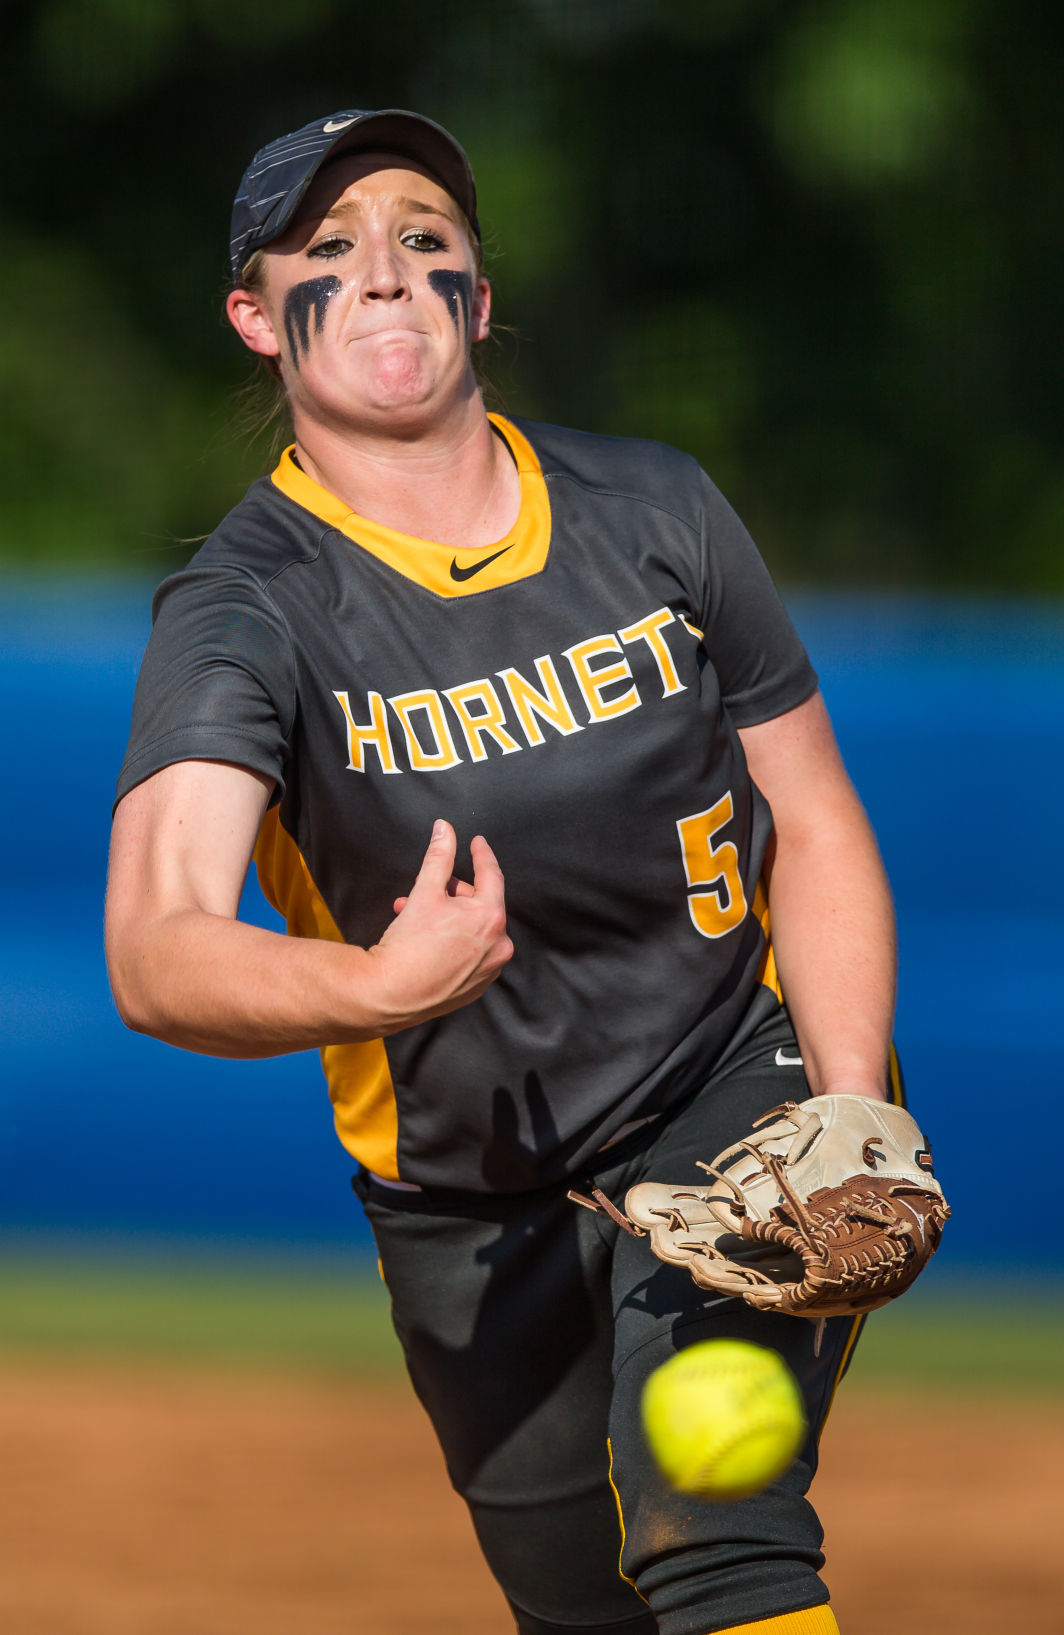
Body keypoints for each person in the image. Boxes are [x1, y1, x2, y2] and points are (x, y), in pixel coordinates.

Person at [106, 108, 902, 1635]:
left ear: (479, 294)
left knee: (713, 1518)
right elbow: (155, 943)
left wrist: (848, 1103)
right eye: (327, 251)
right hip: (470, 1194)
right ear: (257, 318)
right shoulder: (245, 612)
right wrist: (372, 983)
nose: (387, 274)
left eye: (424, 240)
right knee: (582, 1609)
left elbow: (812, 815)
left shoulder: (654, 509)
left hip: (735, 1096)